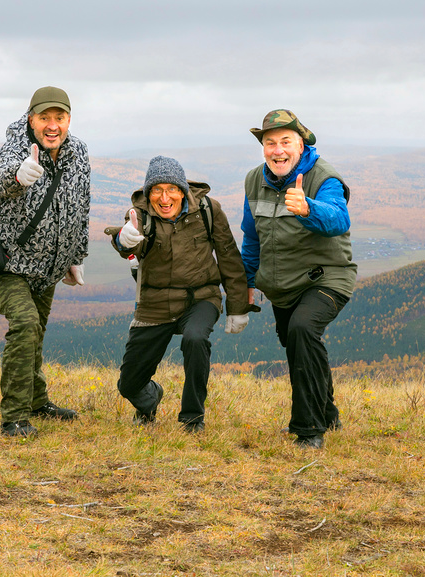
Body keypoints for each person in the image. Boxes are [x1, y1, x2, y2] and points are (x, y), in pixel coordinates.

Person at [105, 156, 255, 432]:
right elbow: (130, 242)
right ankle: (149, 399)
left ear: (183, 190)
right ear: (148, 193)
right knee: (128, 384)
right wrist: (122, 241)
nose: (165, 198)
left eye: (172, 189)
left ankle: (192, 418)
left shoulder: (208, 210)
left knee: (195, 339)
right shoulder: (139, 215)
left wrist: (237, 308)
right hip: (155, 302)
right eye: (157, 190)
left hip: (200, 297)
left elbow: (229, 257)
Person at [240, 110, 356, 449]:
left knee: (303, 330)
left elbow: (339, 219)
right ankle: (328, 413)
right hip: (282, 284)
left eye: (285, 142)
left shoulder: (324, 178)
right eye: (270, 143)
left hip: (327, 276)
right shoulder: (254, 180)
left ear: (301, 144)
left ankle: (308, 429)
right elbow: (252, 236)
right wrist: (247, 283)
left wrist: (308, 208)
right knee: (296, 344)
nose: (278, 150)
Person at [0, 86, 90, 438]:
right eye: (44, 118)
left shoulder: (79, 152)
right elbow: (1, 183)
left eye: (59, 117)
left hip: (48, 268)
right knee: (26, 324)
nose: (52, 125)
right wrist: (19, 177)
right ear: (31, 119)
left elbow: (81, 205)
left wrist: (75, 256)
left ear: (69, 120)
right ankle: (14, 417)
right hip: (9, 264)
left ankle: (36, 401)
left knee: (36, 332)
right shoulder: (17, 147)